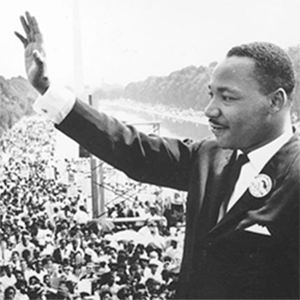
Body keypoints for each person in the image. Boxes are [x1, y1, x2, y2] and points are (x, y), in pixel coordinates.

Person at [15, 11, 300, 300]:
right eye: (210, 94)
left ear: (275, 101)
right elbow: (129, 147)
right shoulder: (209, 157)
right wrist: (47, 88)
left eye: (227, 97)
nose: (209, 110)